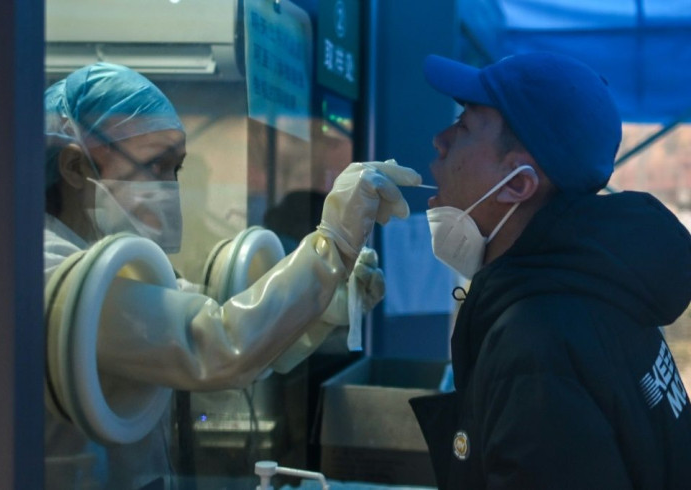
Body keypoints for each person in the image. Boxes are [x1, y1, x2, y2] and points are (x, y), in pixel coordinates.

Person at [43, 62, 422, 489]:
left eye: (177, 170)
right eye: (156, 167)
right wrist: (330, 246)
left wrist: (327, 301)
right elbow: (216, 344)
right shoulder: (49, 270)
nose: (171, 188)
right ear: (76, 167)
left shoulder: (110, 265)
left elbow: (229, 324)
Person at [410, 51, 691, 489]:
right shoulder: (599, 290)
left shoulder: (536, 346)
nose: (440, 141)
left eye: (464, 126)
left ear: (518, 184)